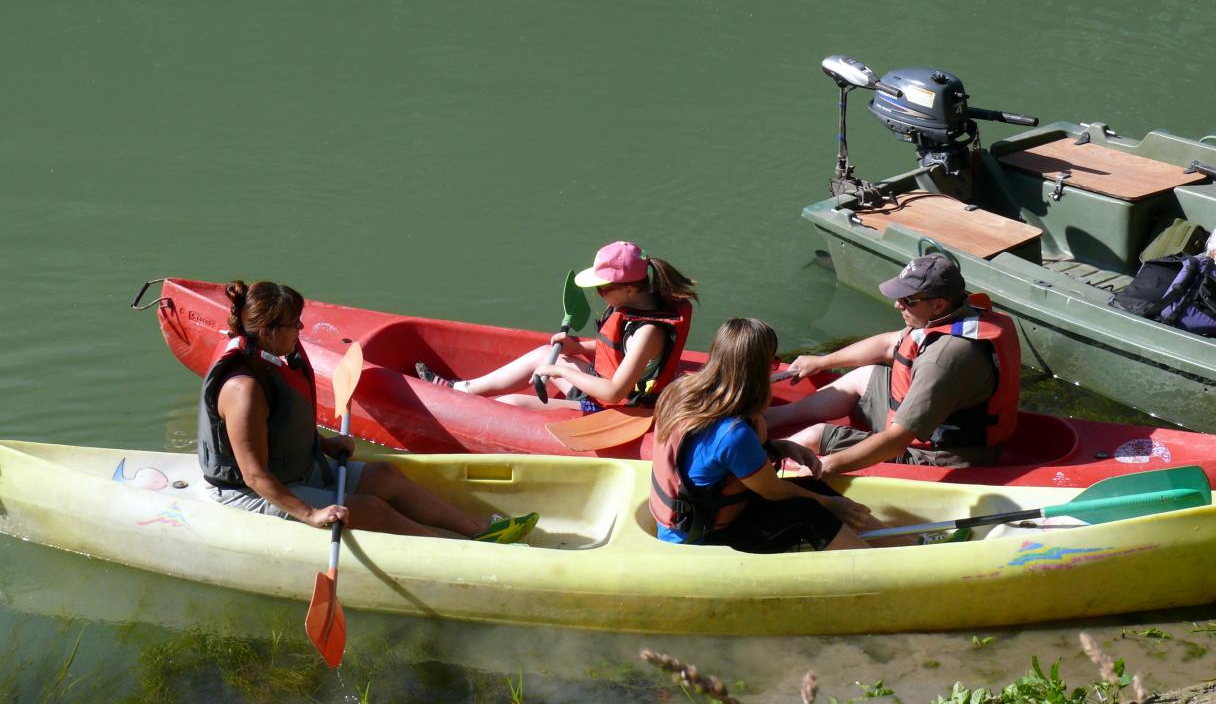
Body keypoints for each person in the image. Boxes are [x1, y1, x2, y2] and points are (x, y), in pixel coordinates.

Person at [198, 280, 537, 542]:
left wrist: (323, 444)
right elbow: (255, 475)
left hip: (291, 471)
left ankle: (477, 528)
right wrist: (310, 515)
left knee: (386, 477)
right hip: (246, 492)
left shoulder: (270, 360)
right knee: (371, 510)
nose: (300, 331)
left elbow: (279, 426)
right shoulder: (244, 390)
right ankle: (448, 550)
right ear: (269, 332)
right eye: (295, 325)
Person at [765, 254, 1020, 475]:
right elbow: (889, 344)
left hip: (941, 456)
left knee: (815, 436)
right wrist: (822, 361)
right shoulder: (957, 313)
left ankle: (758, 463)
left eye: (908, 300)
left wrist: (828, 465)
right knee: (865, 375)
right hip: (939, 417)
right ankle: (772, 418)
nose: (898, 304)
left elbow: (898, 441)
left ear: (939, 304)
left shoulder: (941, 360)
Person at [648, 317, 873, 552]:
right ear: (758, 369)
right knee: (808, 512)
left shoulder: (678, 393)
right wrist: (831, 504)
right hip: (698, 540)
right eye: (773, 362)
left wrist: (781, 447)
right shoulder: (733, 434)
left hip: (689, 520)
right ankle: (878, 569)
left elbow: (713, 459)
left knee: (811, 487)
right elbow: (773, 491)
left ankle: (897, 546)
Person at [415, 241, 697, 410]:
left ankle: (461, 407)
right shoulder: (643, 303)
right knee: (542, 353)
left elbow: (614, 392)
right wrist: (578, 346)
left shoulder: (647, 332)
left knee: (512, 404)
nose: (598, 294)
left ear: (630, 290)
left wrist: (560, 370)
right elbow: (618, 351)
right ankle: (460, 390)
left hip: (617, 407)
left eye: (602, 289)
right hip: (605, 386)